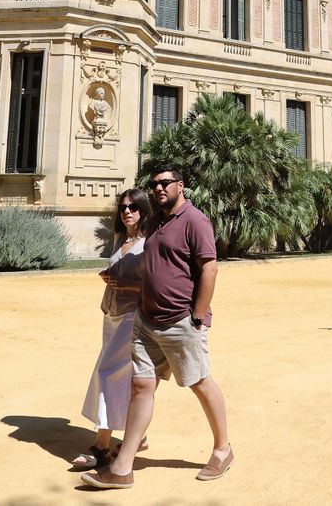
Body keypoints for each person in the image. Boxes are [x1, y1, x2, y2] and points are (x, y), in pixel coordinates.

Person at [85, 165, 232, 489]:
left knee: (199, 383)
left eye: (165, 183)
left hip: (180, 320)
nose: (159, 188)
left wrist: (197, 316)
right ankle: (123, 467)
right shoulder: (155, 222)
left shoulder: (195, 221)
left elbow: (209, 269)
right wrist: (121, 279)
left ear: (181, 186)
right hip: (146, 321)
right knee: (141, 388)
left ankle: (223, 449)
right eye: (154, 185)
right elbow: (153, 267)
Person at [75, 189, 150, 471]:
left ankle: (101, 445)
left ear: (143, 210)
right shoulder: (122, 240)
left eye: (133, 207)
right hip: (112, 315)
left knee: (107, 372)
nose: (127, 211)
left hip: (133, 317)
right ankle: (137, 435)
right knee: (124, 378)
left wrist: (127, 285)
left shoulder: (149, 243)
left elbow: (157, 284)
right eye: (123, 207)